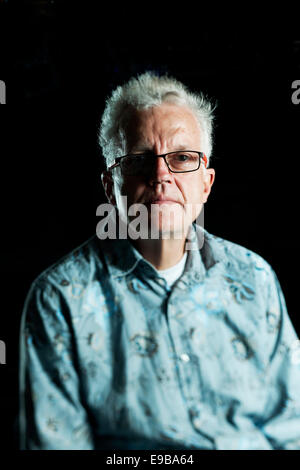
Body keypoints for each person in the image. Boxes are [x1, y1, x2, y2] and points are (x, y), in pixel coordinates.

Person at [19, 72, 300, 450]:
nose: (160, 175)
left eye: (182, 158)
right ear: (110, 185)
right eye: (138, 160)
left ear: (207, 182)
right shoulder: (60, 299)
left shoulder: (255, 278)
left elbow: (292, 425)